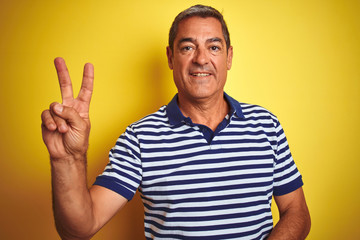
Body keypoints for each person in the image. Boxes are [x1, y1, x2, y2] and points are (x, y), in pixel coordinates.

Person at [41, 4, 311, 240]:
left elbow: (296, 211)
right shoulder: (139, 138)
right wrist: (68, 161)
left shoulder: (267, 125)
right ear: (171, 57)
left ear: (228, 57)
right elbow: (79, 229)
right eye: (188, 47)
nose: (201, 59)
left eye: (213, 47)